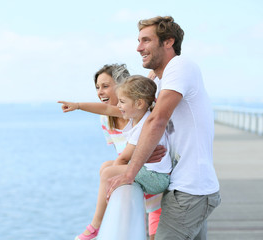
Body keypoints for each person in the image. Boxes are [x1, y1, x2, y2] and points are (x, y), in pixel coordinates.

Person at [106, 16, 221, 239]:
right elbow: (135, 106)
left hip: (190, 190)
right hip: (189, 188)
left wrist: (129, 173)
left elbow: (156, 120)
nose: (139, 48)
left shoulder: (180, 66)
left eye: (146, 40)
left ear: (168, 42)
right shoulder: (162, 78)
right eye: (139, 41)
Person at [59, 64, 165, 239]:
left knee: (109, 171)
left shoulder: (141, 117)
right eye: (97, 87)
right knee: (107, 167)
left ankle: (96, 225)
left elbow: (124, 158)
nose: (100, 92)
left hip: (157, 188)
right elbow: (109, 113)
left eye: (105, 86)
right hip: (142, 180)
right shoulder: (111, 120)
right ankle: (98, 225)